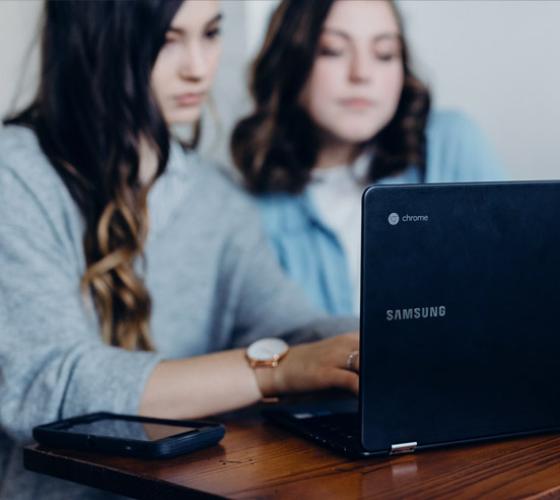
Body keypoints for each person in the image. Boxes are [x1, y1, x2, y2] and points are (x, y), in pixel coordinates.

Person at [0, 1, 360, 498]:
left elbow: (289, 323)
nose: (198, 66)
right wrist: (273, 373)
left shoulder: (215, 196)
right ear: (96, 41)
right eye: (169, 39)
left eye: (210, 34)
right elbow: (49, 388)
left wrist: (379, 338)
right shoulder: (15, 176)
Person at [232, 0, 507, 316]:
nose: (361, 74)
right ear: (288, 62)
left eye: (384, 54)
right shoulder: (247, 208)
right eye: (332, 50)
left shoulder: (450, 143)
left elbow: (514, 285)